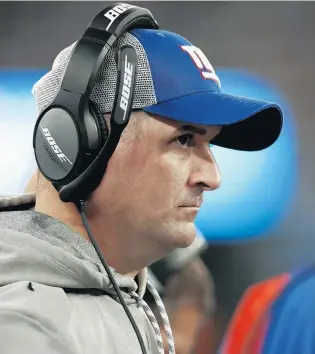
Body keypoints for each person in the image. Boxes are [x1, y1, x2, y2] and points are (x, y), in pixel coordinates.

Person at [0, 3, 283, 354]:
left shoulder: (122, 298)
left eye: (208, 144)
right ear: (84, 144)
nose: (212, 177)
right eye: (184, 140)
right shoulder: (25, 328)